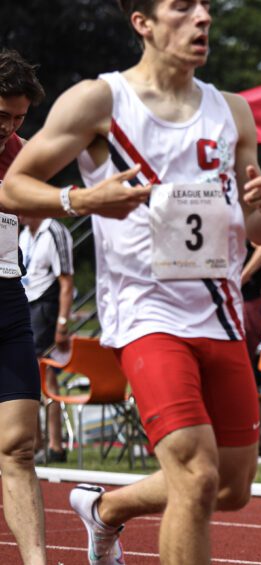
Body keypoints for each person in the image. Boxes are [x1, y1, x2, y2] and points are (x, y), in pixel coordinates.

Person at [1, 1, 261, 563]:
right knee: (195, 473)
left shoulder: (233, 112)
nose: (202, 17)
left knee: (229, 486)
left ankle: (105, 511)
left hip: (219, 313)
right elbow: (13, 186)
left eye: (206, 8)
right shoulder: (100, 101)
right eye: (183, 8)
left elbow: (257, 227)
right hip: (144, 314)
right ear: (144, 23)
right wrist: (80, 199)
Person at [0, 47, 48, 565]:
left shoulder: (20, 151)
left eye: (18, 119)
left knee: (18, 446)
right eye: (0, 116)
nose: (9, 128)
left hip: (7, 297)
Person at [19, 212, 74, 464]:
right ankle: (39, 442)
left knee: (44, 376)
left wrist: (62, 322)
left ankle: (54, 445)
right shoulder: (23, 235)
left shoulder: (54, 230)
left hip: (46, 307)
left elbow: (66, 281)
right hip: (27, 306)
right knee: (31, 378)